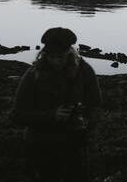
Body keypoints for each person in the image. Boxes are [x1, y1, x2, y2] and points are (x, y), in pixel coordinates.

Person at [11, 27, 101, 182]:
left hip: (75, 143)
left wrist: (85, 119)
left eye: (60, 56)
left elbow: (95, 105)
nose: (55, 61)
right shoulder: (33, 75)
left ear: (69, 52)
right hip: (41, 145)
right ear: (44, 53)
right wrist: (51, 116)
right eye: (51, 56)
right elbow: (17, 115)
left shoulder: (85, 71)